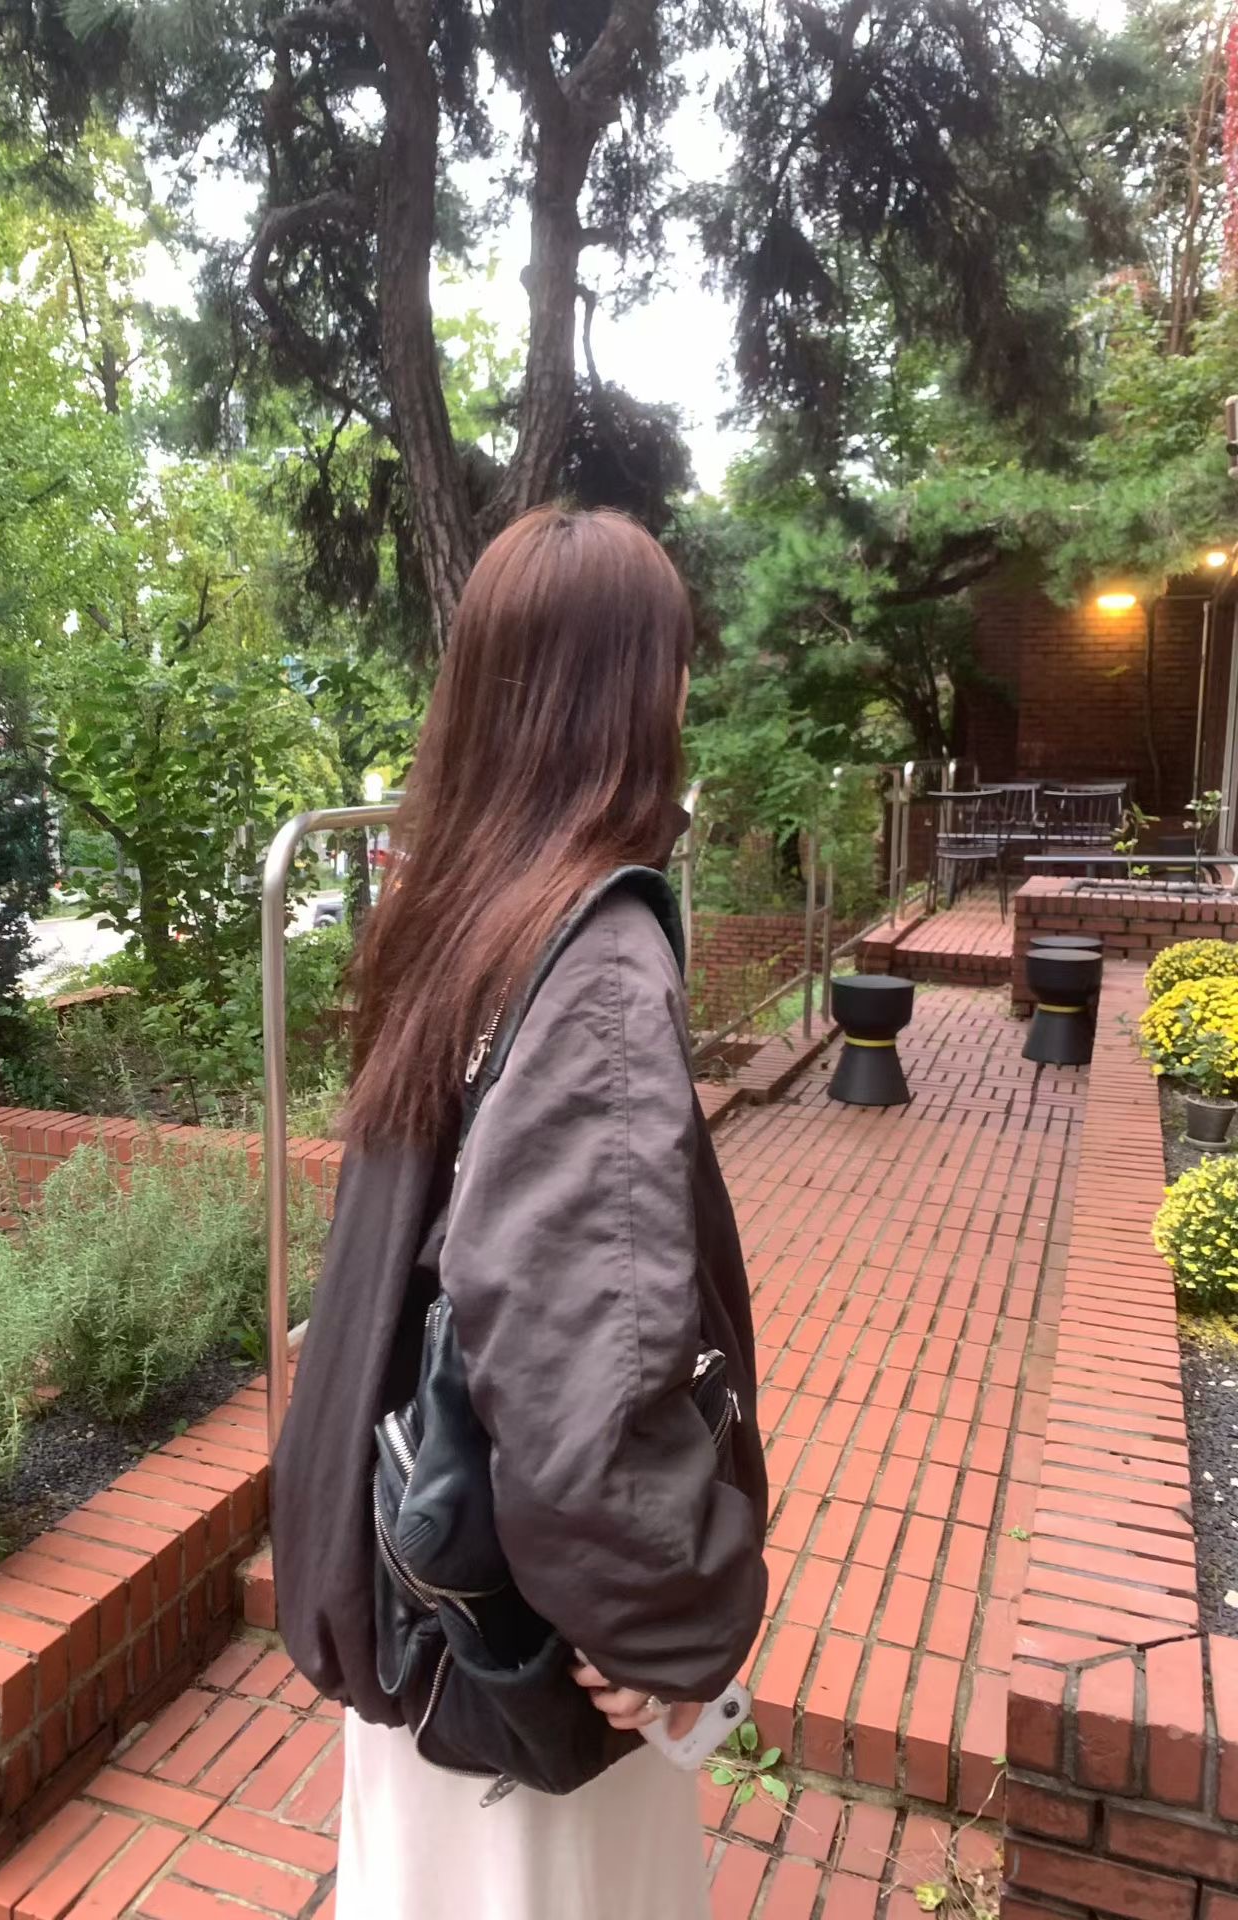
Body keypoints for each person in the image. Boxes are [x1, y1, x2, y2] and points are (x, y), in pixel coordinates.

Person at [271, 505, 769, 1920]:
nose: (686, 691)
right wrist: (660, 1628)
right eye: (673, 661)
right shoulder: (599, 955)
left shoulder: (458, 908)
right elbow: (580, 1342)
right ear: (629, 692)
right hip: (531, 1662)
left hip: (425, 1595)